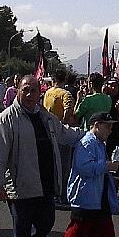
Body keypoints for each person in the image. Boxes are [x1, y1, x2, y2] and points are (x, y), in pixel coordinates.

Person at [0, 75, 83, 237]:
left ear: (40, 92)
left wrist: (89, 135)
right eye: (25, 90)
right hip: (20, 188)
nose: (30, 94)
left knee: (46, 224)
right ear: (18, 90)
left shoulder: (45, 116)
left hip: (45, 185)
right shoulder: (6, 119)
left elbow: (64, 133)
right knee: (22, 235)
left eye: (34, 90)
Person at [55, 112, 119, 237]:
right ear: (96, 125)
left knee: (104, 231)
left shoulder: (99, 142)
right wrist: (107, 166)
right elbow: (85, 167)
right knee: (77, 232)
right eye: (106, 126)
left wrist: (110, 179)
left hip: (97, 194)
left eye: (111, 126)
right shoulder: (87, 143)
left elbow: (95, 168)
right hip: (84, 195)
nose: (110, 129)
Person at [44, 68, 76, 207]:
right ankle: (62, 197)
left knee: (51, 165)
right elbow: (68, 110)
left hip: (48, 132)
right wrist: (65, 122)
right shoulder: (66, 94)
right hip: (61, 133)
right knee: (64, 167)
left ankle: (51, 194)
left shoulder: (48, 92)